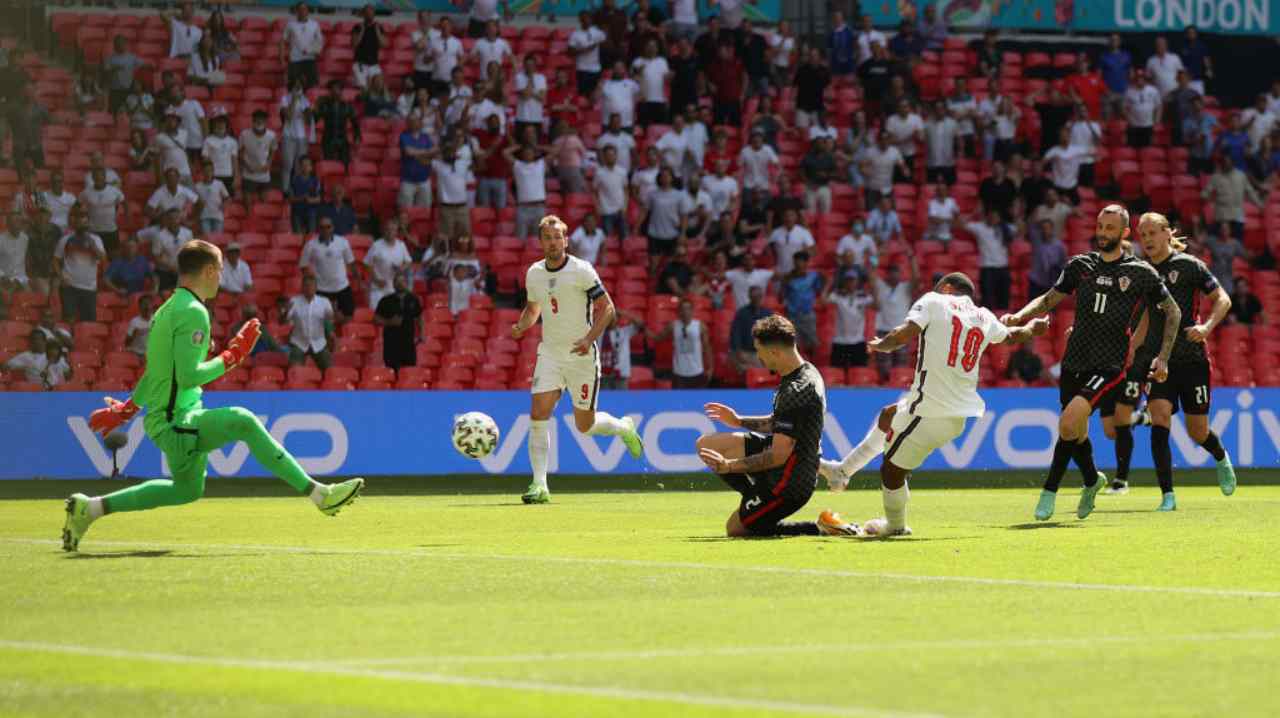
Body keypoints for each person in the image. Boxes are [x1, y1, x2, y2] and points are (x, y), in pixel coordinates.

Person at [64, 240, 365, 552]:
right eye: (220, 270)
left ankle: (91, 508)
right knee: (243, 421)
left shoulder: (167, 308)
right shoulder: (194, 312)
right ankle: (320, 495)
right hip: (175, 421)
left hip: (171, 417)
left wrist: (129, 408)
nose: (221, 277)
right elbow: (188, 376)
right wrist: (232, 357)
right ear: (208, 271)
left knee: (186, 490)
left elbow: (157, 372)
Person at [819, 274, 1049, 537]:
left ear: (946, 288)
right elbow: (1012, 336)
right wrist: (1034, 328)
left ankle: (895, 526)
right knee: (888, 415)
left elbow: (905, 333)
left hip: (930, 410)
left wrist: (883, 345)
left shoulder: (934, 300)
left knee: (891, 471)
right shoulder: (983, 315)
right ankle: (842, 472)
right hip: (956, 411)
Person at [1001, 205, 1181, 522]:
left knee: (1068, 423)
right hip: (1074, 360)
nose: (1102, 233)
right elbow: (1048, 299)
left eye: (1110, 228)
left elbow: (1173, 312)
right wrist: (1020, 316)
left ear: (1124, 233)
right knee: (1077, 431)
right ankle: (1091, 480)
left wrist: (1163, 355)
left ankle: (1049, 492)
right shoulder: (1080, 265)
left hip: (1108, 366)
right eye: (1100, 226)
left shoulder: (1141, 273)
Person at [1104, 213, 1236, 506]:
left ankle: (1221, 457)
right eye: (1143, 234)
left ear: (1166, 233)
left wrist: (1206, 328)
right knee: (1160, 416)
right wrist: (1130, 352)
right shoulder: (1142, 270)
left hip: (1192, 359)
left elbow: (1223, 299)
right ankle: (1168, 496)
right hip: (1158, 361)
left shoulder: (1189, 266)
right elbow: (1148, 318)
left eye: (1153, 233)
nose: (1147, 239)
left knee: (1197, 430)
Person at [511, 215, 644, 504]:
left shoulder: (582, 270)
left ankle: (623, 427)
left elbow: (607, 308)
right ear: (541, 242)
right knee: (538, 413)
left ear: (566, 240)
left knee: (585, 426)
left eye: (558, 237)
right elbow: (533, 308)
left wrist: (589, 339)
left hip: (581, 357)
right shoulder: (534, 273)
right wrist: (522, 325)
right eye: (548, 237)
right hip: (550, 354)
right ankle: (539, 485)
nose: (554, 242)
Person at [697, 315, 859, 537]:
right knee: (707, 445)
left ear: (774, 352)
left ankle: (820, 527)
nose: (759, 357)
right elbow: (781, 424)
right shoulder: (806, 371)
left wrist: (730, 466)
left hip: (789, 484)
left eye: (759, 351)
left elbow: (778, 456)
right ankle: (755, 498)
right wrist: (739, 421)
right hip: (788, 461)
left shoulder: (797, 390)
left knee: (736, 529)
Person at [870, 249, 918, 380]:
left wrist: (912, 259)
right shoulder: (881, 286)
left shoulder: (905, 287)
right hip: (883, 332)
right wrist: (875, 258)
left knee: (901, 367)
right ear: (887, 274)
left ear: (900, 274)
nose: (893, 275)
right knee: (883, 367)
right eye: (891, 273)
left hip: (902, 332)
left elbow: (916, 279)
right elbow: (871, 277)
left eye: (896, 273)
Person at [299, 217, 359, 322]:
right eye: (322, 227)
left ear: (333, 228)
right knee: (321, 319)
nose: (325, 230)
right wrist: (312, 280)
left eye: (328, 227)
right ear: (318, 229)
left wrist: (358, 278)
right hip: (322, 288)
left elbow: (351, 262)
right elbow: (303, 265)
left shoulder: (343, 242)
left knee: (349, 317)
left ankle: (343, 337)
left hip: (342, 286)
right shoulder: (311, 245)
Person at [53, 211, 106, 322]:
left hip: (89, 287)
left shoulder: (96, 240)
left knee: (88, 322)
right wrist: (61, 277)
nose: (81, 224)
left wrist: (93, 246)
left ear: (88, 224)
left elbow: (103, 259)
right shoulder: (65, 239)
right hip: (69, 286)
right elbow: (55, 260)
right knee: (69, 319)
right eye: (79, 221)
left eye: (84, 221)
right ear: (75, 224)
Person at [650, 298, 711, 388]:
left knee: (697, 401)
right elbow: (657, 338)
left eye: (688, 309)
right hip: (679, 373)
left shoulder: (700, 326)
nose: (685, 312)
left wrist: (710, 368)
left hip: (697, 372)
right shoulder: (673, 326)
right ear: (678, 312)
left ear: (692, 311)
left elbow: (707, 348)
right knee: (679, 401)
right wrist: (643, 329)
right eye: (682, 309)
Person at [373, 273, 423, 372]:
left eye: (402, 281)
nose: (400, 284)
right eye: (397, 282)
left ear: (407, 283)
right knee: (392, 372)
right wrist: (389, 322)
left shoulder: (414, 299)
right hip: (391, 344)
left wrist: (421, 334)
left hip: (408, 343)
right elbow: (375, 319)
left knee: (409, 372)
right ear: (393, 284)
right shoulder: (385, 300)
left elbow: (419, 318)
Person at [286, 274, 335, 370]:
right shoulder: (294, 301)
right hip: (299, 342)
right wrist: (284, 313)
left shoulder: (324, 302)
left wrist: (331, 322)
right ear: (302, 287)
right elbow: (284, 321)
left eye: (311, 285)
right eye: (306, 285)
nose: (309, 288)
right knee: (294, 371)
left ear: (316, 287)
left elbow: (330, 320)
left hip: (318, 342)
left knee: (329, 371)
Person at [80, 167, 128, 256]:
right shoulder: (85, 193)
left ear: (105, 177)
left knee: (114, 257)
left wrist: (126, 217)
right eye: (96, 177)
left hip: (111, 230)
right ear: (93, 178)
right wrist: (82, 220)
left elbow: (124, 202)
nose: (98, 179)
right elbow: (78, 205)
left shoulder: (114, 191)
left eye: (100, 176)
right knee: (94, 258)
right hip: (93, 231)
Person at [364, 222, 412, 310]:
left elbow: (408, 261)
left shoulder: (401, 245)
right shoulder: (376, 245)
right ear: (384, 231)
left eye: (393, 230)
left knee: (394, 315)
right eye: (387, 230)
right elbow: (367, 264)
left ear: (396, 232)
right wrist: (376, 279)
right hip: (378, 288)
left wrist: (402, 268)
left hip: (395, 288)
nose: (390, 232)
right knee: (376, 314)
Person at [239, 110, 278, 207]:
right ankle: (249, 219)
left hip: (264, 174)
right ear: (253, 121)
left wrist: (268, 164)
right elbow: (239, 153)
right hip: (248, 173)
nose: (259, 122)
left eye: (262, 120)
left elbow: (273, 151)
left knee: (264, 201)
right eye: (257, 120)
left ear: (265, 122)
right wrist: (247, 166)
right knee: (247, 201)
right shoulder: (244, 134)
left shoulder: (272, 135)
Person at [282, 2, 324, 90]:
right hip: (295, 59)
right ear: (296, 11)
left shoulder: (314, 24)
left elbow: (319, 41)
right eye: (300, 9)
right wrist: (281, 59)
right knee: (293, 86)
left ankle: (309, 103)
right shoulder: (290, 24)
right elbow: (283, 41)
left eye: (304, 9)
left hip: (310, 59)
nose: (302, 11)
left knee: (312, 86)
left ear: (308, 11)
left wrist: (316, 51)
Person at [599, 309, 644, 389]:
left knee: (621, 400)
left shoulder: (624, 331)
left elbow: (640, 323)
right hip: (604, 375)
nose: (612, 319)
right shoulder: (598, 333)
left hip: (621, 373)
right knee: (604, 400)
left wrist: (623, 313)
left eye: (614, 317)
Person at [351, 5, 387, 90]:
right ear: (363, 14)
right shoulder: (357, 27)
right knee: (364, 89)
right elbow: (354, 44)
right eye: (367, 13)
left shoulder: (379, 27)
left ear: (374, 14)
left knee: (379, 85)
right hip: (360, 63)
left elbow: (384, 44)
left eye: (371, 12)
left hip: (374, 64)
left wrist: (377, 31)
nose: (369, 15)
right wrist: (362, 31)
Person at [1124, 71, 1161, 148]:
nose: (1140, 81)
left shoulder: (1153, 90)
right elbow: (1125, 108)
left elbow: (1159, 106)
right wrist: (1129, 120)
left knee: (1147, 149)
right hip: (1134, 126)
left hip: (1148, 125)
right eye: (1138, 79)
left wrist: (1157, 120)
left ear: (1145, 79)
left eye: (1142, 79)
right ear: (1135, 80)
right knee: (1133, 148)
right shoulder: (1129, 91)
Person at [194, 159, 230, 235]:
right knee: (207, 242)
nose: (208, 173)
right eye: (205, 170)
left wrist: (224, 204)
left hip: (217, 216)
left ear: (213, 171)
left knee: (217, 240)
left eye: (209, 170)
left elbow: (227, 198)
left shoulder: (219, 184)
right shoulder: (197, 186)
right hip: (204, 216)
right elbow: (195, 203)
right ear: (202, 172)